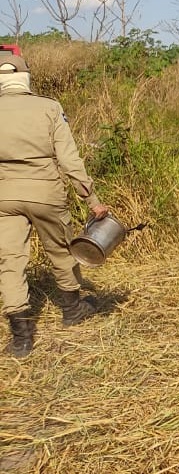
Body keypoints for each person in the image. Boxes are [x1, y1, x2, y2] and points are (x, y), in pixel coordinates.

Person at [0, 54, 109, 358]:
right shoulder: (48, 107)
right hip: (45, 192)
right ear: (25, 78)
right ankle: (72, 310)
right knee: (61, 249)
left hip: (4, 196)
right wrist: (93, 201)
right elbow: (70, 160)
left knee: (10, 261)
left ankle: (21, 338)